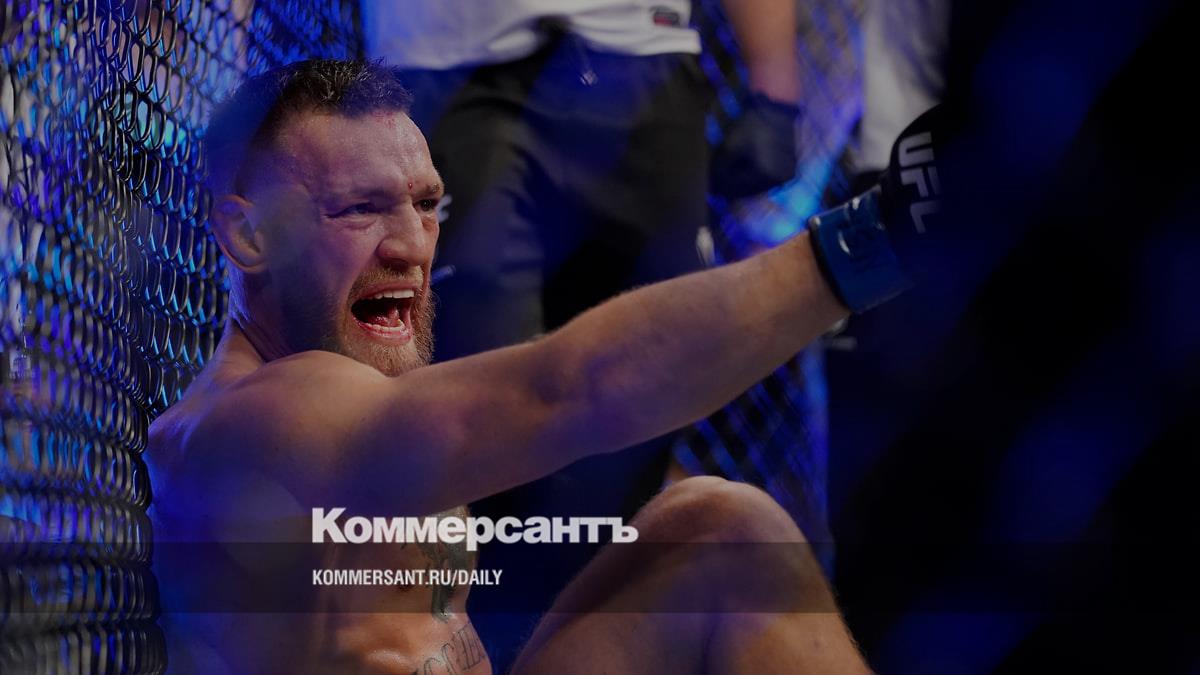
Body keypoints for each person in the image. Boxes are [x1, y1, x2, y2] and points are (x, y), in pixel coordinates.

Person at [148, 58, 880, 673]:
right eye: (359, 208)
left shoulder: (374, 401)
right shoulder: (249, 424)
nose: (413, 246)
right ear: (249, 234)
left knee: (719, 529)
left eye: (426, 204)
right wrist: (874, 241)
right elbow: (570, 390)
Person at [360, 5, 806, 653]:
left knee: (652, 389)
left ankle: (600, 644)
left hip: (642, 59)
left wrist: (776, 89)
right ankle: (489, 643)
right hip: (449, 67)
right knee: (484, 391)